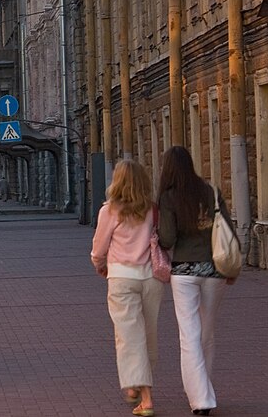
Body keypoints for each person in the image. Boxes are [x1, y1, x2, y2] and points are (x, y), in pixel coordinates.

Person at [157, 145, 234, 416]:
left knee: (189, 335)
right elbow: (228, 229)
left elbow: (167, 238)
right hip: (215, 271)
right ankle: (204, 390)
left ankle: (201, 398)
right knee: (207, 333)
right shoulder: (210, 191)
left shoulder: (168, 197)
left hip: (185, 271)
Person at [91, 158, 164, 417]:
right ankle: (134, 384)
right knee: (148, 335)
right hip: (151, 278)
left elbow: (99, 249)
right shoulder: (153, 209)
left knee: (129, 338)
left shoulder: (109, 211)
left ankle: (146, 398)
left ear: (117, 181)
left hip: (121, 278)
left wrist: (99, 265)